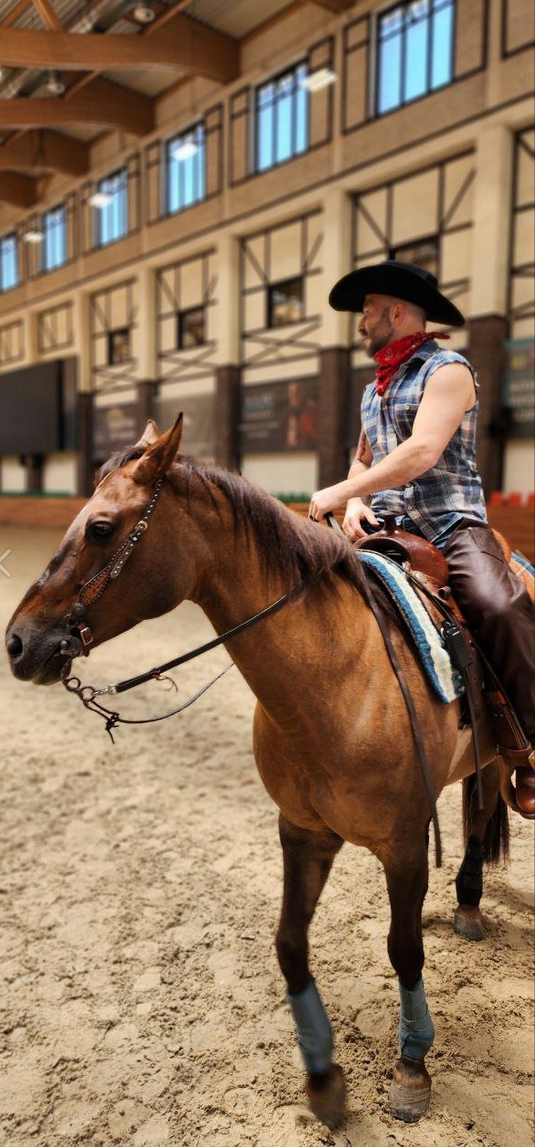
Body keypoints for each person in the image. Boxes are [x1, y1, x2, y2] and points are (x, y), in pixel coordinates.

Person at [309, 260, 535, 817]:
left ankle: (530, 748)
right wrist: (358, 500)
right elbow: (366, 456)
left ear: (396, 311)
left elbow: (421, 452)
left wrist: (340, 490)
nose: (361, 323)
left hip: (450, 523)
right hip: (385, 528)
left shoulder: (448, 370)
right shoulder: (374, 390)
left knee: (498, 605)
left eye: (367, 311)